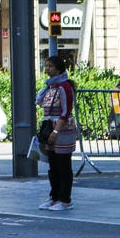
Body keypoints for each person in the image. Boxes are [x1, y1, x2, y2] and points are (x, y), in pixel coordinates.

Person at [36, 54, 77, 211]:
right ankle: (54, 197)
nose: (47, 69)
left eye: (50, 66)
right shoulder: (50, 87)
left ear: (59, 68)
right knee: (53, 165)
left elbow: (66, 112)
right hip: (49, 128)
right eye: (46, 66)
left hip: (62, 131)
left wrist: (55, 131)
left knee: (63, 165)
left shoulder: (64, 87)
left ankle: (65, 199)